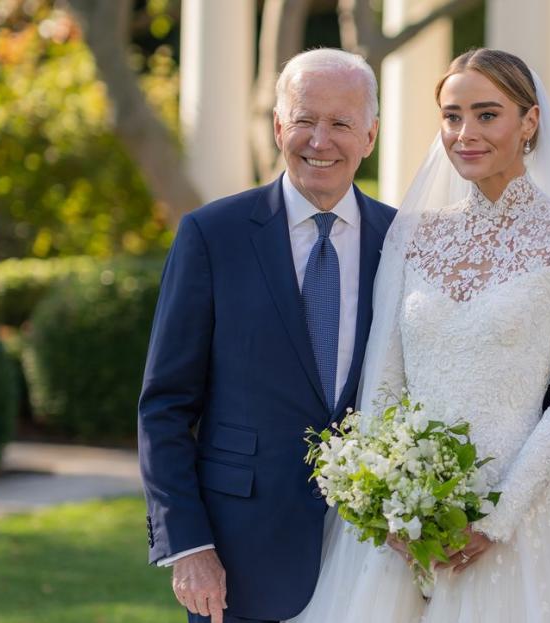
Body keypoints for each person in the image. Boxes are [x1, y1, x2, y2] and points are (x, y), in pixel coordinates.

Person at [289, 48, 550, 622]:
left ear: (530, 122)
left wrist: (496, 518)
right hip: (405, 522)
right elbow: (384, 383)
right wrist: (389, 505)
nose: (465, 133)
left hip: (524, 519)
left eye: (487, 114)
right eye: (451, 116)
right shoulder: (411, 236)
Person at [138, 49, 394, 623]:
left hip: (377, 556)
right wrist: (188, 546)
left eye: (341, 123)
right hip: (238, 552)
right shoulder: (212, 235)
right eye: (304, 119)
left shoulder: (402, 242)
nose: (319, 140)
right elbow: (165, 406)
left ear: (370, 136)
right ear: (279, 126)